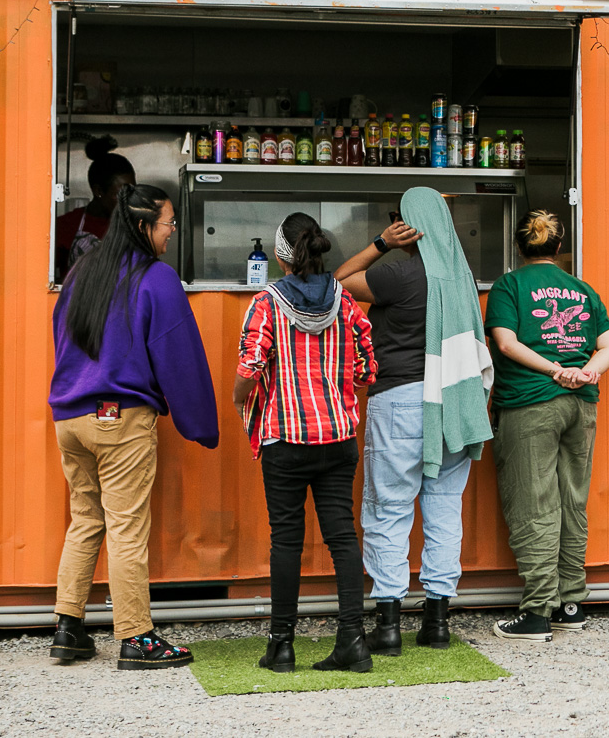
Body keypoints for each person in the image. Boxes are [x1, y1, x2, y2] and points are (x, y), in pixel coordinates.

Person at [47, 183, 218, 671]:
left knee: (86, 519)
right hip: (117, 419)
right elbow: (179, 358)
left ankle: (68, 628)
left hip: (70, 417)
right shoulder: (156, 278)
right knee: (125, 526)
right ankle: (136, 636)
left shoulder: (82, 273)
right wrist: (201, 425)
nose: (171, 235)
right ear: (145, 226)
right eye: (167, 225)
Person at [335, 189, 494, 656]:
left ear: (408, 225)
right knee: (444, 511)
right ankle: (438, 622)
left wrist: (381, 243)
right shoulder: (463, 277)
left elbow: (340, 282)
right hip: (456, 403)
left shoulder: (397, 272)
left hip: (401, 402)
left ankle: (387, 627)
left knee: (389, 510)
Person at [234, 212, 376, 675]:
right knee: (341, 537)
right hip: (337, 436)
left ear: (281, 254)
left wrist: (242, 404)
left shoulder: (266, 303)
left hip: (285, 439)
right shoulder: (347, 301)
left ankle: (281, 647)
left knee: (287, 540)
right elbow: (366, 369)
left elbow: (250, 367)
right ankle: (353, 640)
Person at [485, 211, 609, 641]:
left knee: (534, 503)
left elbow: (506, 342)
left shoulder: (509, 285)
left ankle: (537, 612)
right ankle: (570, 603)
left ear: (518, 247)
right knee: (571, 500)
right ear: (559, 248)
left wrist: (553, 370)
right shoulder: (582, 289)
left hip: (531, 404)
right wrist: (584, 372)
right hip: (580, 405)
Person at [55, 136, 136, 279]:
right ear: (98, 191)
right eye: (119, 194)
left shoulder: (136, 226)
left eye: (131, 192)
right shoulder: (65, 226)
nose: (127, 200)